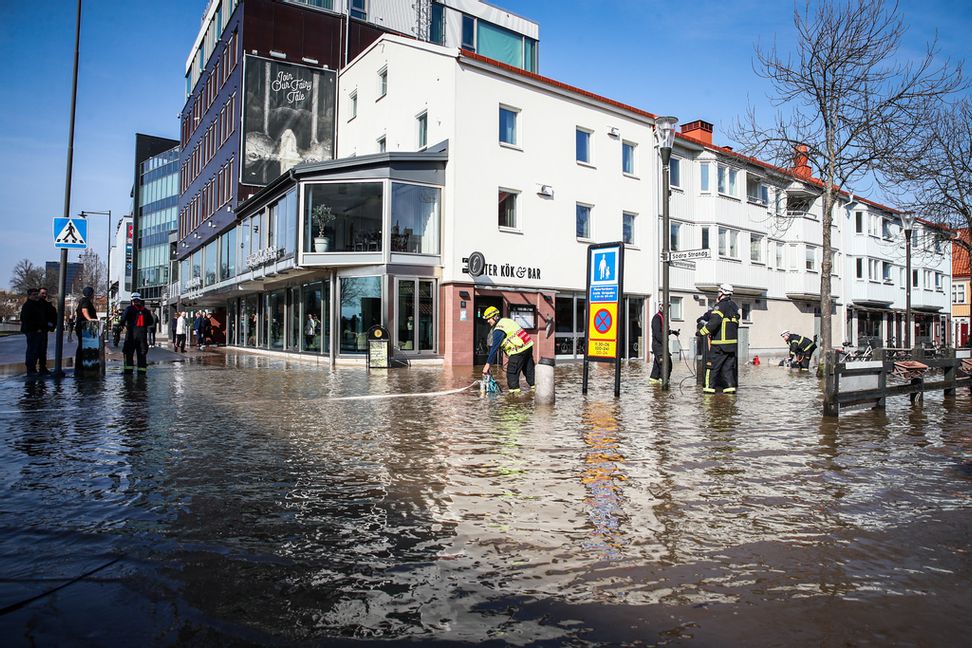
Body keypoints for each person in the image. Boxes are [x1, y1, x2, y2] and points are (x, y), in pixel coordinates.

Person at [481, 305, 535, 394]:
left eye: (489, 318)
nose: (487, 321)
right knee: (529, 372)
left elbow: (494, 349)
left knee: (512, 376)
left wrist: (487, 365)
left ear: (495, 317)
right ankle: (535, 393)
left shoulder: (499, 329)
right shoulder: (507, 320)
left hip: (517, 351)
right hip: (527, 347)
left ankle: (514, 401)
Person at [698, 283, 740, 394]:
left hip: (719, 344)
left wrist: (701, 332)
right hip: (732, 346)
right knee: (728, 369)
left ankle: (708, 391)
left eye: (719, 292)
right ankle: (730, 391)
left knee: (711, 368)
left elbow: (714, 322)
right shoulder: (734, 307)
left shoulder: (720, 306)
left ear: (722, 293)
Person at [114, 292, 154, 373]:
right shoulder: (146, 311)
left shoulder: (129, 309)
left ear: (132, 301)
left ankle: (128, 373)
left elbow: (122, 320)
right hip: (142, 336)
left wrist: (122, 325)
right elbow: (150, 322)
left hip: (131, 335)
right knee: (142, 354)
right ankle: (141, 373)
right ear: (140, 300)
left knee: (128, 353)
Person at [20, 288, 52, 375]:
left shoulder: (37, 304)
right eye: (34, 295)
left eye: (36, 294)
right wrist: (36, 328)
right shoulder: (28, 305)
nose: (36, 296)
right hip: (33, 331)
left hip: (39, 330)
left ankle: (37, 368)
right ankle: (31, 369)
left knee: (39, 350)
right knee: (32, 350)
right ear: (29, 296)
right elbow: (25, 319)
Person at [649, 302, 678, 384]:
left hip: (662, 346)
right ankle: (664, 386)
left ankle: (654, 386)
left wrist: (672, 332)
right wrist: (664, 341)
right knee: (666, 365)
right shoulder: (657, 318)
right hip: (658, 346)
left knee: (657, 368)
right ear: (661, 306)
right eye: (666, 306)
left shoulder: (663, 317)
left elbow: (663, 331)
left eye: (668, 307)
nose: (667, 309)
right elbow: (658, 334)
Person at [74, 286, 99, 375]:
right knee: (82, 347)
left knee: (82, 347)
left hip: (83, 327)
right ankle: (80, 368)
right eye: (93, 293)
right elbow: (84, 310)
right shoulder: (85, 301)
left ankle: (81, 367)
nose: (93, 295)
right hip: (84, 327)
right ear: (90, 294)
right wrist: (90, 319)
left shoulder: (84, 300)